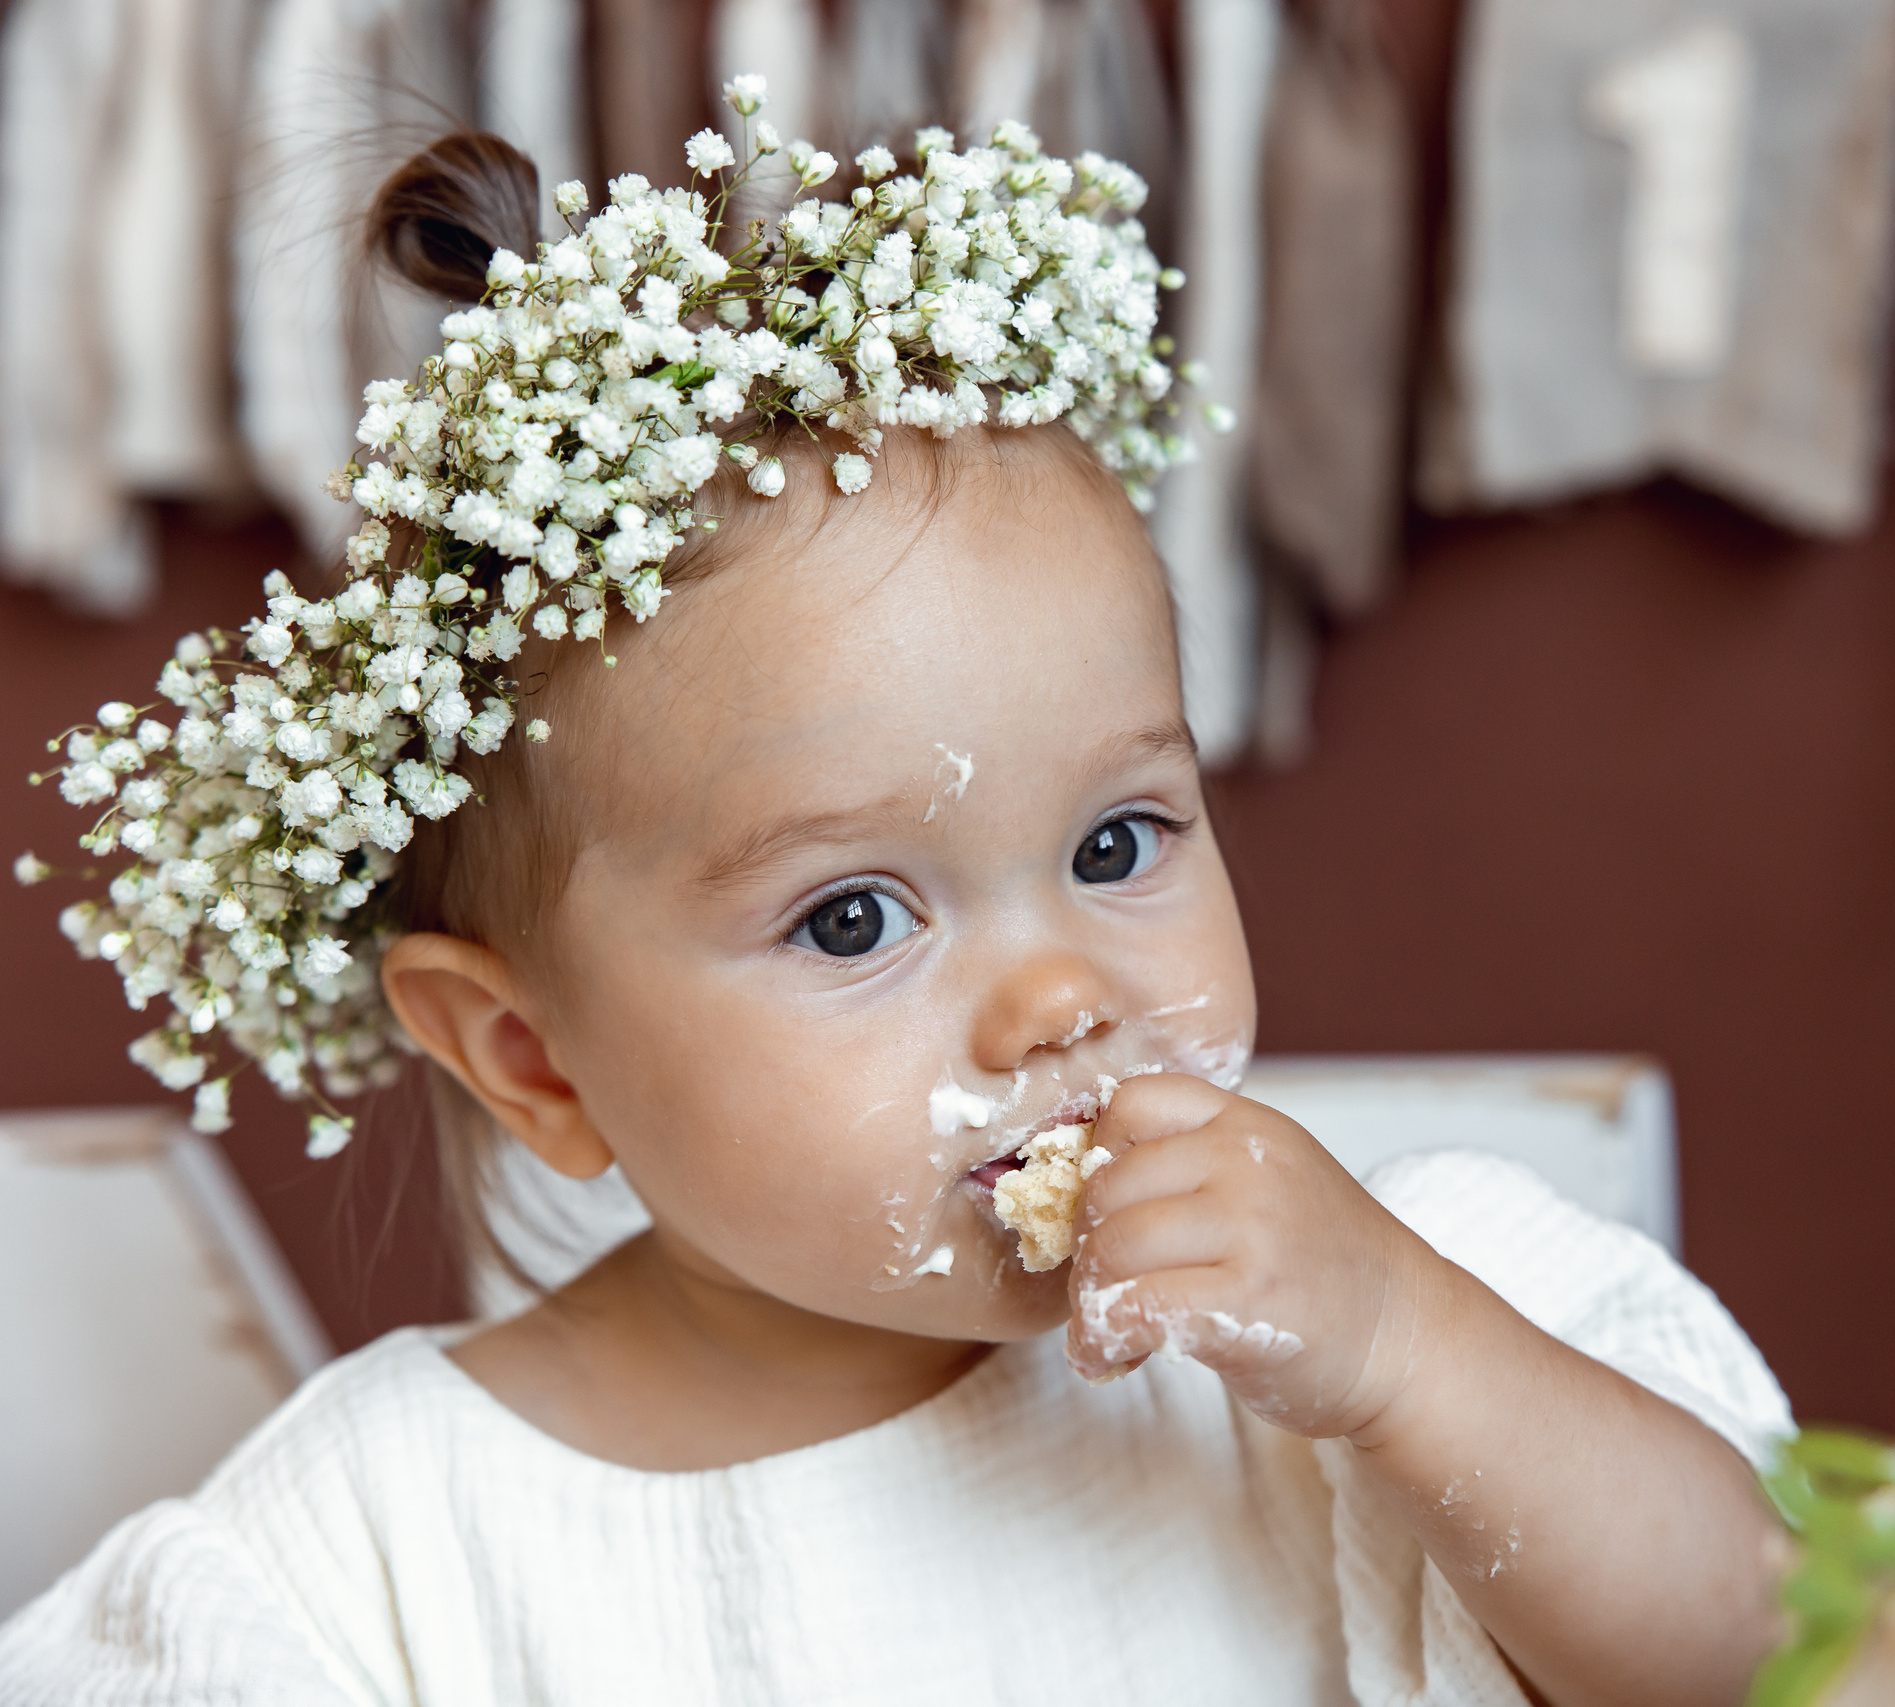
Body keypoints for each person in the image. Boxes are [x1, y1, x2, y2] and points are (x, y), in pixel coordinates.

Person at [0, 102, 1792, 1707]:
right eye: (853, 920)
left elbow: (1783, 1659)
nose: (1061, 1001)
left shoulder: (1407, 1325)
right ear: (531, 1058)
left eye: (1118, 844)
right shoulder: (370, 1571)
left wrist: (1404, 1353)